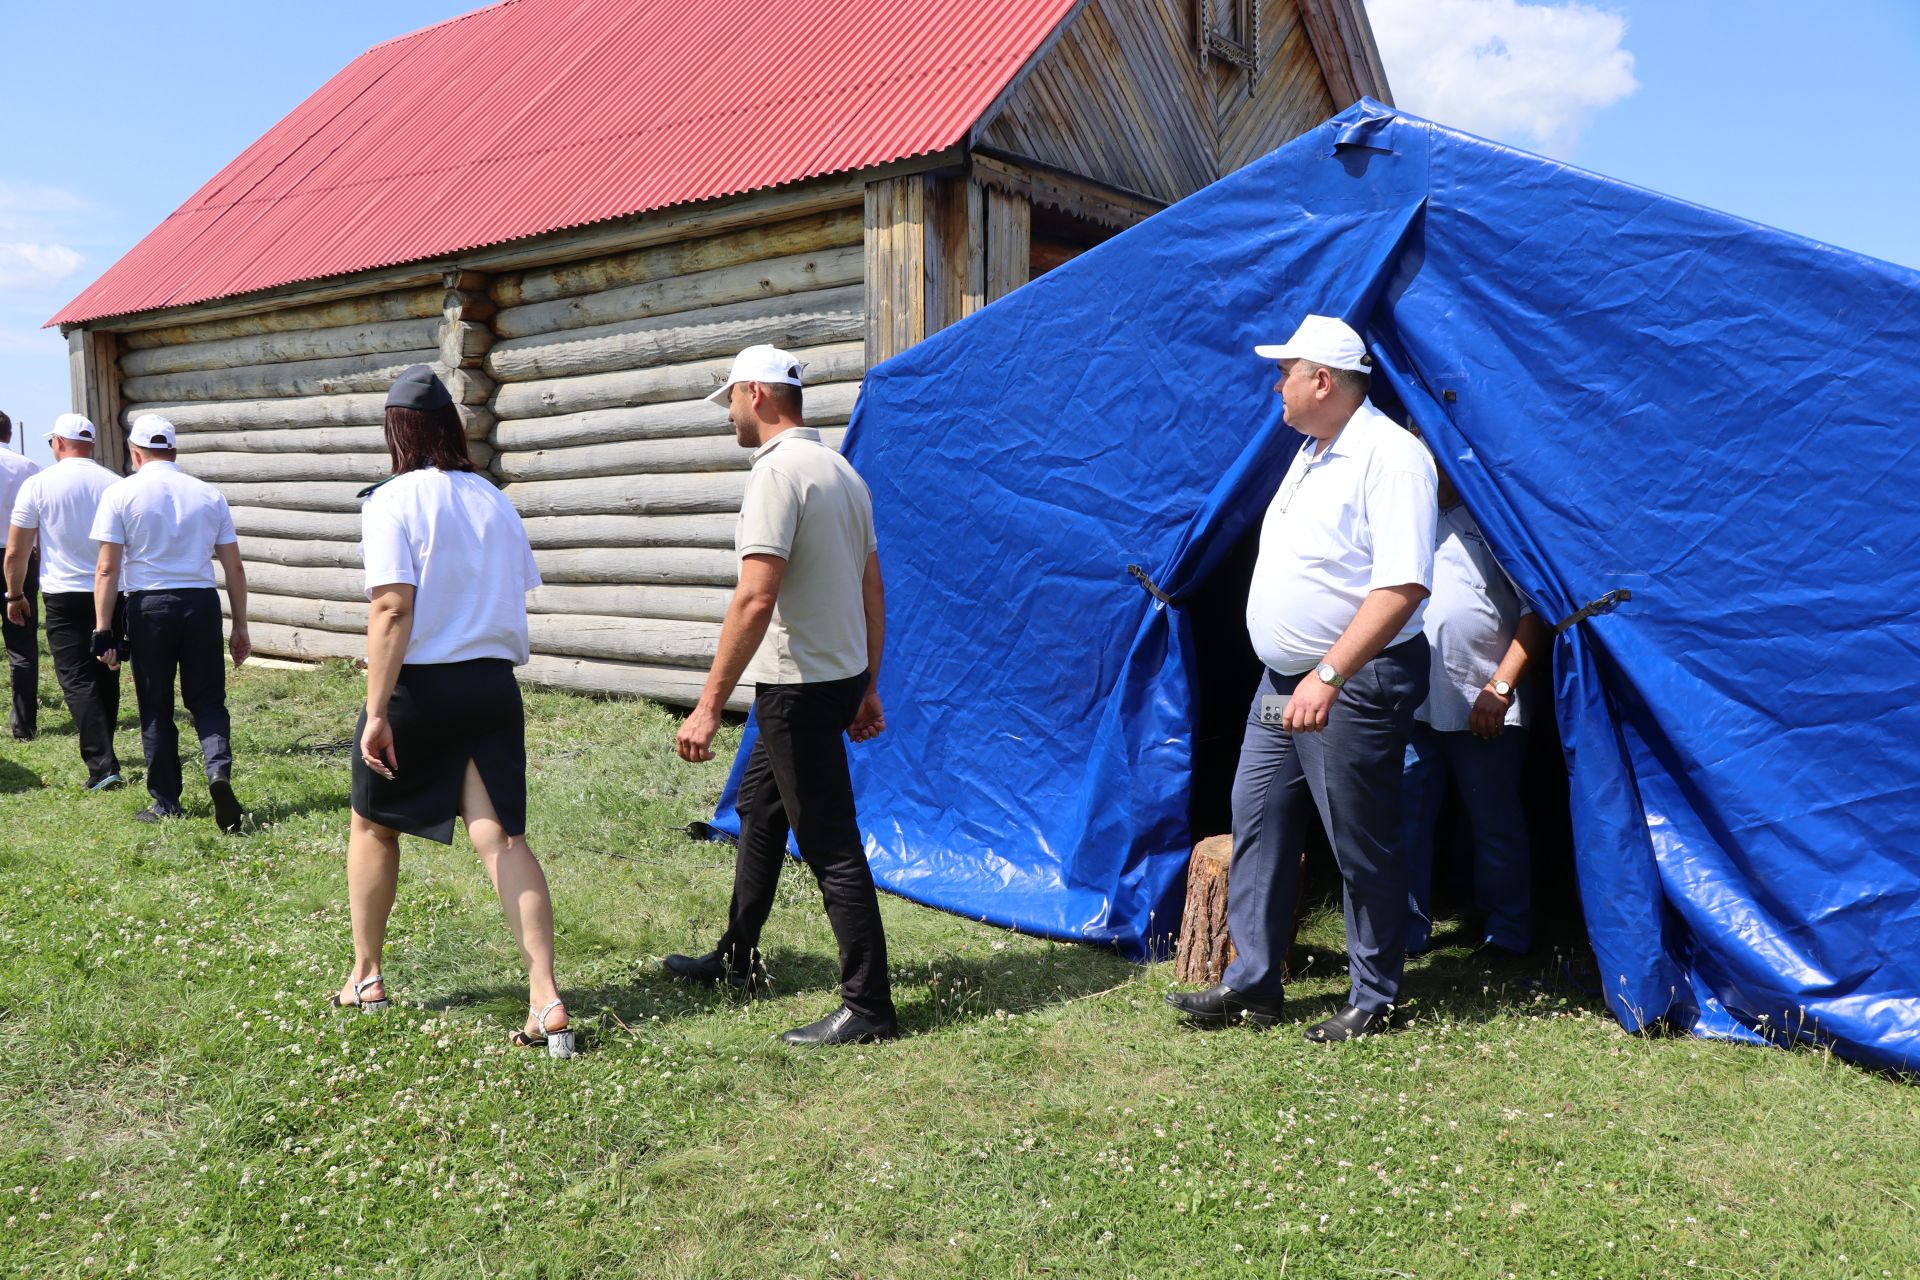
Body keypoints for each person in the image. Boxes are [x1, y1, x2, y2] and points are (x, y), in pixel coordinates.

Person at [1166, 314, 1438, 1042]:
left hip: (1351, 680)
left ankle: (1374, 996)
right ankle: (1253, 982)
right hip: (1283, 680)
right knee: (1257, 821)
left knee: (1361, 839)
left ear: (1323, 379)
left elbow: (1402, 587)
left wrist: (1327, 673)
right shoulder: (1314, 449)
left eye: (1283, 371)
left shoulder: (1391, 455)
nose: (1274, 383)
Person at [341, 364, 573, 1057]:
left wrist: (377, 710)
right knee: (501, 839)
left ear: (396, 431)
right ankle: (546, 995)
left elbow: (391, 607)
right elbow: (514, 587)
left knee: (372, 824)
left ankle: (366, 975)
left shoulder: (390, 502)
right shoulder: (495, 501)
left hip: (420, 686)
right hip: (492, 687)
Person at [667, 344, 893, 1047]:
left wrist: (708, 705)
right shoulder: (841, 472)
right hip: (831, 678)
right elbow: (872, 589)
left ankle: (869, 1007)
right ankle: (738, 956)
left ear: (758, 395)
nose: (729, 412)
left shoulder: (776, 474)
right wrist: (868, 686)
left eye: (731, 398)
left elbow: (756, 596)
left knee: (830, 844)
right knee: (759, 814)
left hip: (796, 687)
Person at [1401, 445, 1549, 957]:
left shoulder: (1493, 521)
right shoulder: (1402, 519)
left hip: (1484, 702)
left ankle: (1507, 934)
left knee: (1494, 824)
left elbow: (1538, 611)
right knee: (1403, 820)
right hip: (1412, 703)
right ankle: (1404, 931)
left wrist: (1501, 688)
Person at [90, 414, 249, 830]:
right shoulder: (209, 494)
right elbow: (234, 567)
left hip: (149, 606)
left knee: (156, 704)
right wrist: (241, 627)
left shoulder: (121, 493)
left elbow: (107, 570)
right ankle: (217, 770)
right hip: (200, 603)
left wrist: (103, 630)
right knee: (209, 699)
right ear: (175, 451)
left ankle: (166, 801)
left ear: (134, 452)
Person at [5, 414, 125, 788]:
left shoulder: (39, 484)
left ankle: (103, 765)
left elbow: (16, 551)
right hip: (112, 590)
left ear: (58, 442)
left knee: (74, 677)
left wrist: (15, 593)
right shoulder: (116, 484)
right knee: (107, 667)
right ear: (90, 444)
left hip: (62, 592)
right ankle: (105, 753)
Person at [0, 410, 41, 741]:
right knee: (22, 643)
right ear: (9, 435)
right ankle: (24, 725)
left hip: (17, 552)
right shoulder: (27, 467)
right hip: (19, 555)